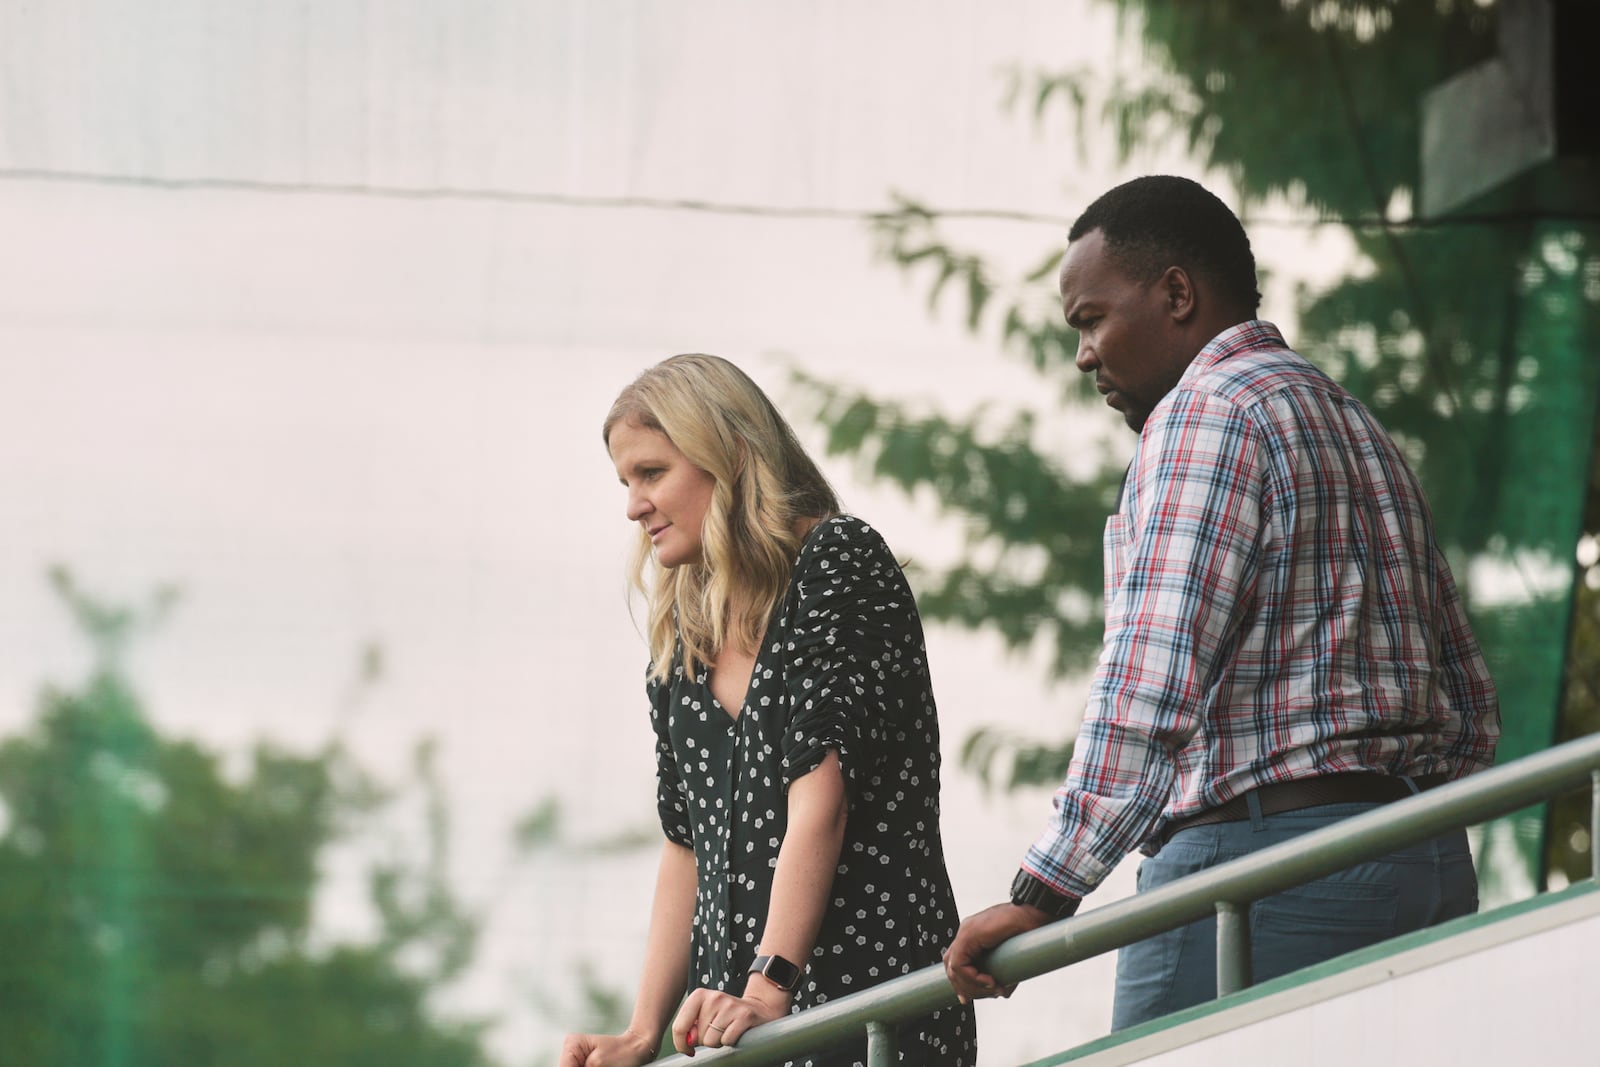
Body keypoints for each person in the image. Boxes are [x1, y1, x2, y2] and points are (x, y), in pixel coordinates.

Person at [943, 175, 1500, 1028]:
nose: (1084, 353)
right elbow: (1466, 703)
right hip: (1419, 859)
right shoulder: (1356, 425)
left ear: (1176, 293)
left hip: (1259, 874)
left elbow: (1148, 685)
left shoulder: (1207, 414)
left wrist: (1044, 891)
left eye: (1091, 318)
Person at [560, 354, 976, 1066]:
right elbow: (685, 844)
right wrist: (642, 1031)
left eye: (652, 473)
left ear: (730, 456)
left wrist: (768, 983)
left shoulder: (838, 560)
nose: (633, 504)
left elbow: (823, 798)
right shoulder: (684, 635)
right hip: (738, 1033)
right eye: (626, 481)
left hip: (867, 1009)